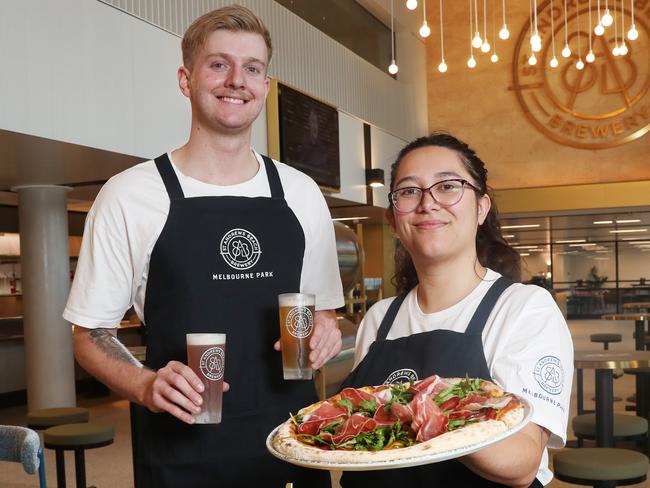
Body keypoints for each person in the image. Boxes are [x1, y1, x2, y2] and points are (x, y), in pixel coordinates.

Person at [64, 5, 343, 487]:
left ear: (265, 87)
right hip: (181, 458)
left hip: (294, 449)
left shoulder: (302, 194)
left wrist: (325, 332)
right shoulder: (130, 195)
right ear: (185, 79)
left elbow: (322, 313)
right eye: (219, 64)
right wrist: (146, 384)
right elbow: (90, 335)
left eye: (252, 68)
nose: (237, 79)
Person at [340, 133, 573, 487]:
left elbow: (522, 464)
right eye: (409, 191)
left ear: (481, 207)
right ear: (392, 218)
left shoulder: (523, 309)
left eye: (447, 186)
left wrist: (429, 416)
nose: (427, 203)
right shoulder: (378, 319)